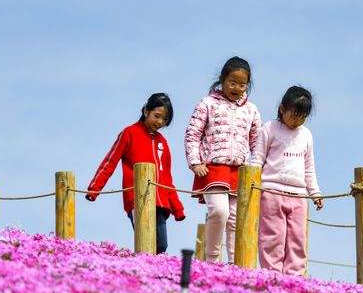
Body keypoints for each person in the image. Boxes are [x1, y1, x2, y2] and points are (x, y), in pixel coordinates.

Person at [86, 93, 185, 253]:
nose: (159, 122)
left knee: (161, 246)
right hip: (137, 199)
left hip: (161, 203)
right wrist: (94, 189)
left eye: (164, 120)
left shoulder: (163, 143)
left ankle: (152, 275)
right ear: (146, 111)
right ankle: (142, 273)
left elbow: (166, 178)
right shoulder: (129, 133)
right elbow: (110, 162)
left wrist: (177, 208)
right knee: (147, 242)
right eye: (157, 116)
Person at [184, 56, 261, 263]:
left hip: (241, 172)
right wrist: (195, 162)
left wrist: (257, 170)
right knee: (219, 212)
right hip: (213, 168)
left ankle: (236, 264)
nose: (236, 87)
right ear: (222, 80)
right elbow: (192, 134)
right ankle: (212, 260)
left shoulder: (251, 109)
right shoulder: (207, 103)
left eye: (242, 84)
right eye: (232, 82)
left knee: (237, 219)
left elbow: (257, 143)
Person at [248, 85, 323, 275]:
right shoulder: (269, 128)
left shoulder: (306, 135)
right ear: (282, 108)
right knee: (273, 236)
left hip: (298, 196)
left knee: (298, 238)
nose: (297, 120)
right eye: (294, 114)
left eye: (302, 116)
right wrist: (252, 187)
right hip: (272, 193)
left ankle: (294, 277)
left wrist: (315, 193)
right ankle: (272, 274)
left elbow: (309, 168)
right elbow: (257, 159)